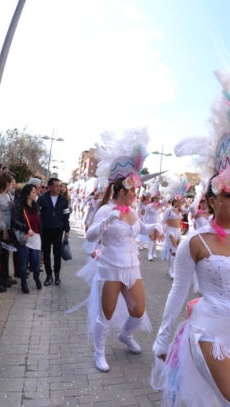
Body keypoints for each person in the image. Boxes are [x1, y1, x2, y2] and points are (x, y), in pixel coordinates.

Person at [152, 70, 230, 406]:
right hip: (209, 332)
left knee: (217, 400)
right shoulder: (196, 241)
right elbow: (178, 292)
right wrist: (162, 341)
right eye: (229, 196)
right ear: (212, 200)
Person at [82, 129, 163, 372]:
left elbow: (142, 228)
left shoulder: (132, 212)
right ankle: (99, 353)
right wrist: (107, 221)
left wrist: (155, 229)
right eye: (133, 192)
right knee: (105, 314)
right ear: (121, 191)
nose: (136, 196)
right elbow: (89, 235)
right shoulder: (107, 210)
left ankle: (126, 336)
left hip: (132, 268)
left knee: (138, 311)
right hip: (110, 268)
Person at [37, 177, 70, 286]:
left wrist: (67, 230)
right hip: (46, 229)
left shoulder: (63, 199)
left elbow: (66, 215)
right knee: (46, 253)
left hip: (58, 230)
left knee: (57, 253)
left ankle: (57, 275)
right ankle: (49, 276)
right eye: (56, 185)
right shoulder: (42, 198)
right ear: (50, 187)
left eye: (59, 185)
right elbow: (37, 213)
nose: (59, 188)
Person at [12, 184, 42, 293]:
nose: (36, 194)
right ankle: (23, 283)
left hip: (36, 237)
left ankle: (36, 278)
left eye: (35, 192)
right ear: (28, 193)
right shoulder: (19, 205)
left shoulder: (36, 206)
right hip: (24, 238)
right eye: (33, 192)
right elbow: (14, 221)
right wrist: (25, 228)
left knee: (36, 261)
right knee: (24, 262)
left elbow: (39, 222)